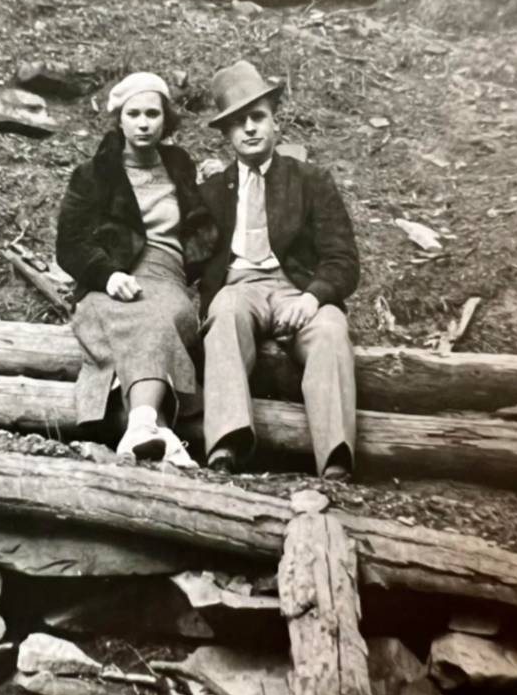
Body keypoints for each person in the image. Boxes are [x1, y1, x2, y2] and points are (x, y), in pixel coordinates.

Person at [196, 60, 360, 480]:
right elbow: (186, 251)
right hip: (239, 287)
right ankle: (227, 444)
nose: (249, 128)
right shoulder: (212, 190)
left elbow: (343, 259)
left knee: (329, 329)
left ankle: (335, 457)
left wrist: (311, 297)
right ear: (226, 135)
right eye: (237, 123)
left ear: (274, 123)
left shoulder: (310, 180)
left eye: (257, 117)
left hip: (296, 289)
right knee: (226, 314)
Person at [56, 72, 217, 468]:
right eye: (134, 114)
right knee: (144, 318)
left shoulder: (179, 165)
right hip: (110, 282)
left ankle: (141, 427)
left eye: (152, 113)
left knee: (168, 314)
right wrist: (107, 274)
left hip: (168, 277)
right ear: (119, 120)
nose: (143, 123)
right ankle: (153, 426)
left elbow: (199, 226)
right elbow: (69, 244)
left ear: (166, 120)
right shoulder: (94, 175)